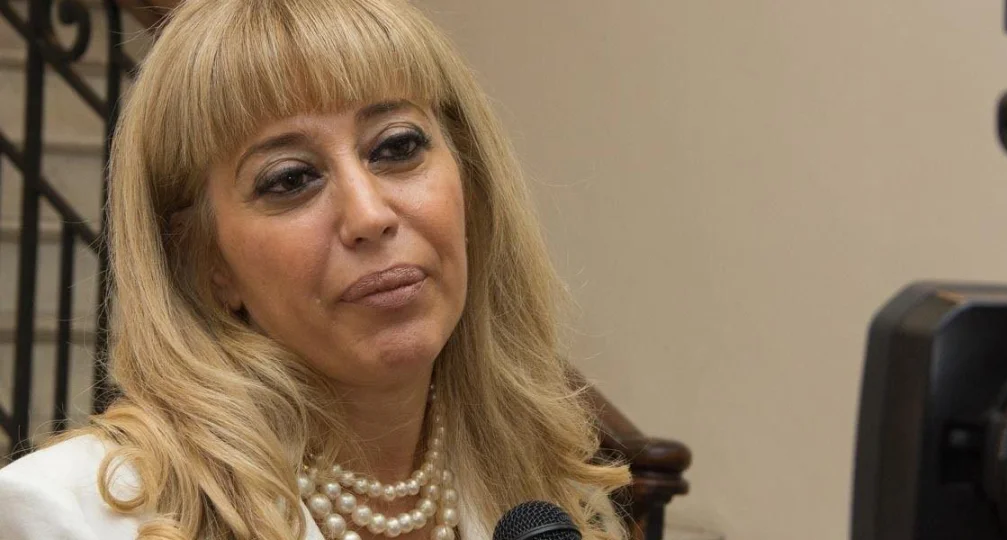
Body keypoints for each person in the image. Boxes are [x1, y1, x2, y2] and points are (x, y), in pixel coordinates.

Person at [0, 0, 630, 538]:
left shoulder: (547, 498)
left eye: (397, 146)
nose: (369, 215)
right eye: (290, 180)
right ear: (206, 262)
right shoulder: (68, 516)